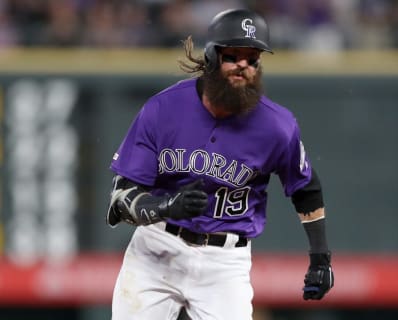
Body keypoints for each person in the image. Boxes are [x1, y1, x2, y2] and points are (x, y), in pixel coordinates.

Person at [106, 8, 334, 320]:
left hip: (224, 262)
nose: (243, 64)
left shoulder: (277, 125)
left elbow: (306, 187)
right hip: (156, 250)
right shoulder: (164, 109)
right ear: (212, 57)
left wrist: (320, 258)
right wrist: (166, 206)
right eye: (233, 55)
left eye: (252, 57)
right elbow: (120, 199)